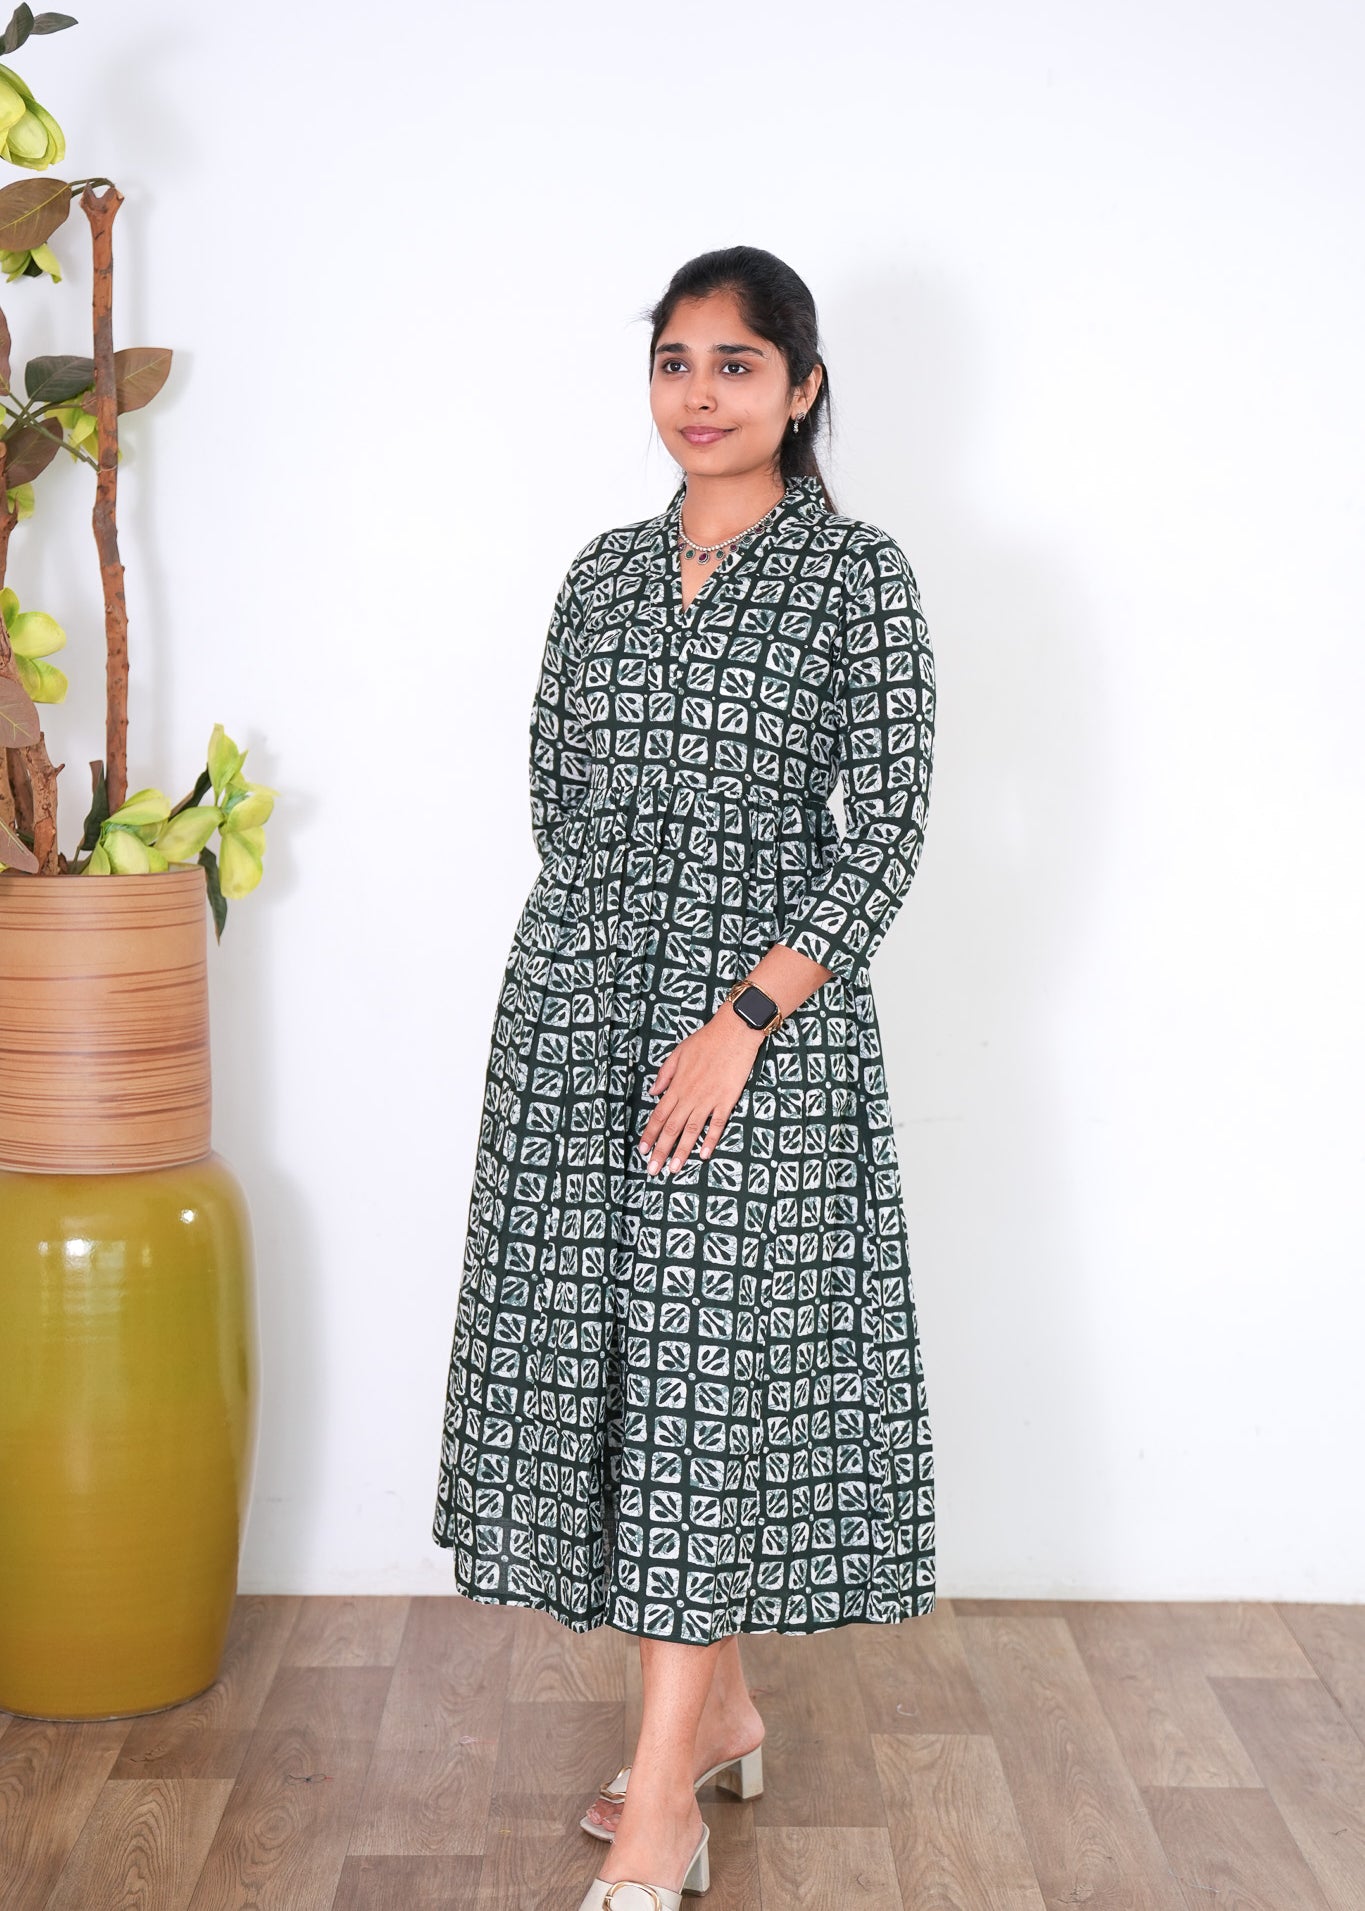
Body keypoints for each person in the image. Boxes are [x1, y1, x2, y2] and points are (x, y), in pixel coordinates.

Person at [432, 244, 938, 1909]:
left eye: (735, 364)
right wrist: (595, 977)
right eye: (673, 361)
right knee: (623, 1379)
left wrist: (742, 1015)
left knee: (704, 1395)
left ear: (801, 387)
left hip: (757, 1040)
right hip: (579, 1017)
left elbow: (885, 831)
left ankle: (662, 1808)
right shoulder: (598, 575)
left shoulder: (856, 576)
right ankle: (714, 1713)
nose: (699, 394)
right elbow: (557, 798)